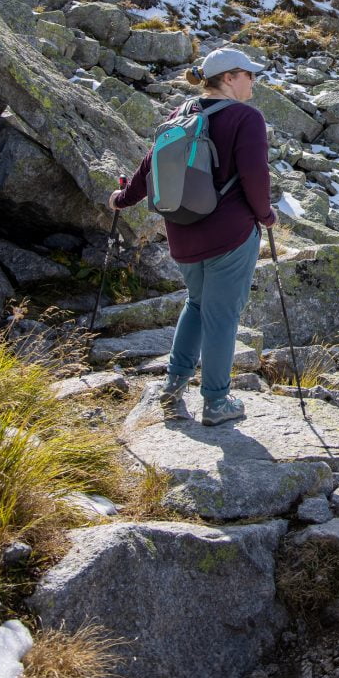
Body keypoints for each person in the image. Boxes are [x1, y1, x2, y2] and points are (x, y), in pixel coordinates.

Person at [109, 47, 275, 425]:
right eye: (249, 74)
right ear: (230, 78)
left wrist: (123, 198)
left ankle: (173, 388)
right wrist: (265, 215)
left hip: (182, 229)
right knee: (223, 315)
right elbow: (255, 174)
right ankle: (216, 402)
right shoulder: (246, 117)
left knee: (197, 304)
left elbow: (149, 163)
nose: (253, 81)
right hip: (229, 233)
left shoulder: (182, 113)